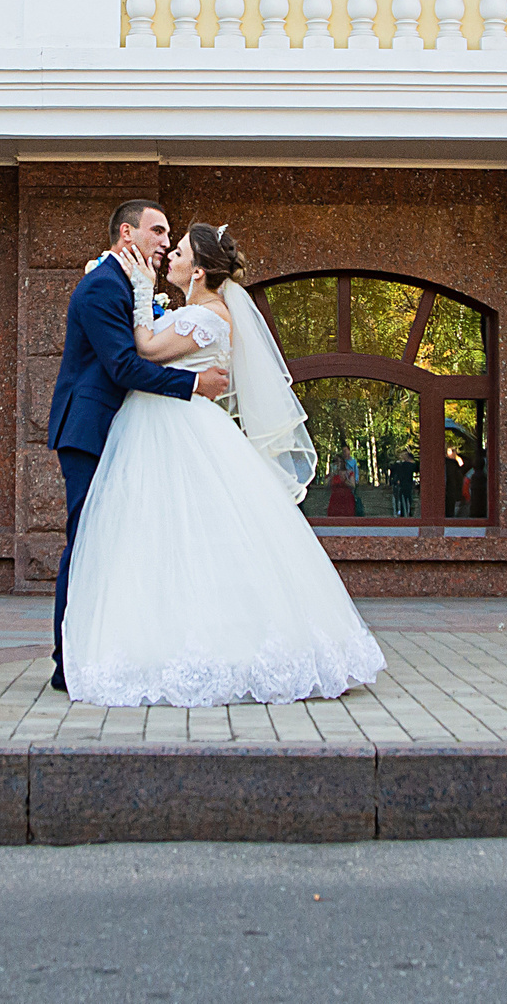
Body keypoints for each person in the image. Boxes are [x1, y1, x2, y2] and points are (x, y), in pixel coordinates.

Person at [58, 222, 385, 707]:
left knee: (193, 538)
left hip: (176, 428)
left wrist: (143, 290)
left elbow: (145, 350)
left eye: (181, 251)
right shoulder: (193, 310)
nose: (171, 254)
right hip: (157, 426)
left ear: (200, 270)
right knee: (159, 539)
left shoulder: (209, 316)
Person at [44, 200, 231, 694]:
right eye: (158, 231)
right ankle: (67, 662)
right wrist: (193, 387)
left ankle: (112, 647)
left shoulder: (129, 286)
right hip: (89, 429)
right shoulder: (103, 286)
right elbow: (125, 366)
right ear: (127, 233)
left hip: (125, 432)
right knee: (85, 543)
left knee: (118, 544)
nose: (165, 242)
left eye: (170, 235)